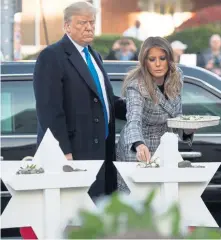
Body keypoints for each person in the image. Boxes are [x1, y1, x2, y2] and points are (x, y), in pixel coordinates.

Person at [33, 1, 126, 200]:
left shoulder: (94, 55)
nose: (89, 27)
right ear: (67, 26)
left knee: (100, 217)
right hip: (74, 153)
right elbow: (49, 110)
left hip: (102, 151)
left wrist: (137, 107)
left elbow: (104, 99)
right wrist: (64, 152)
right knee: (76, 221)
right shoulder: (52, 56)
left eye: (92, 22)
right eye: (82, 23)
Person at [116, 37, 194, 191]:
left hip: (166, 146)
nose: (158, 64)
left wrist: (186, 130)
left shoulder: (177, 76)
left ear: (169, 59)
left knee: (166, 201)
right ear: (144, 61)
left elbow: (176, 114)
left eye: (162, 58)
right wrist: (138, 144)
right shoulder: (136, 86)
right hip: (138, 148)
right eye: (152, 59)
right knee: (138, 203)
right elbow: (133, 119)